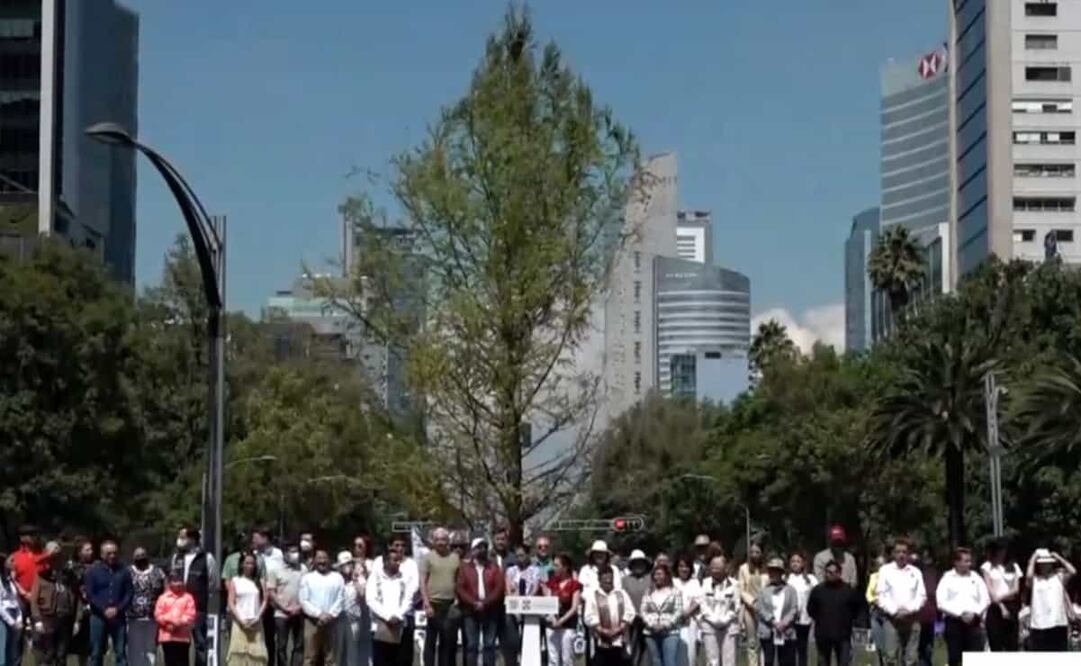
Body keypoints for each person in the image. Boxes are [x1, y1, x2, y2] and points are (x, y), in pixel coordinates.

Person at [875, 538, 926, 666]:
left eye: (904, 552)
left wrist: (908, 611)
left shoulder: (916, 572)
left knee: (911, 658)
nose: (901, 555)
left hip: (912, 618)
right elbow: (881, 596)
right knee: (891, 658)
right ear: (893, 554)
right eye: (898, 552)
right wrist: (895, 611)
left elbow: (921, 596)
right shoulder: (885, 570)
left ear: (908, 554)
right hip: (891, 620)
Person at [171, 527, 217, 666]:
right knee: (179, 644)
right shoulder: (176, 557)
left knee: (200, 644)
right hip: (178, 608)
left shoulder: (207, 558)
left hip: (198, 609)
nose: (180, 540)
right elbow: (172, 578)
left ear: (193, 539)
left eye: (183, 537)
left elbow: (212, 583)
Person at [457, 538, 506, 666]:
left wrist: (485, 603)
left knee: (489, 645)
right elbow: (460, 588)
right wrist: (473, 603)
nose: (482, 550)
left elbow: (499, 588)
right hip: (470, 611)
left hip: (490, 610)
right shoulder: (465, 568)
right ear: (473, 550)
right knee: (472, 645)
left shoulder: (494, 568)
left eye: (484, 547)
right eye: (479, 547)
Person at [936, 548, 989, 666]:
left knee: (974, 658)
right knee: (955, 658)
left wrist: (975, 614)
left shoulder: (976, 577)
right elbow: (941, 602)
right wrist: (960, 614)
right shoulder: (947, 578)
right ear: (956, 562)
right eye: (966, 561)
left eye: (970, 561)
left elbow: (985, 599)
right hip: (954, 622)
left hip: (974, 622)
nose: (969, 564)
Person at [371, 536, 420, 666]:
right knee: (382, 659)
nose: (400, 549)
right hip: (381, 623)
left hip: (402, 621)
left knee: (402, 659)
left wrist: (398, 615)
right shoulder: (377, 571)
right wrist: (387, 616)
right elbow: (371, 598)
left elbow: (410, 596)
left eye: (402, 546)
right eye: (396, 545)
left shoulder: (407, 571)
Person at [30, 542, 79, 666]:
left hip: (65, 618)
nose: (56, 561)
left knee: (61, 654)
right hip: (47, 618)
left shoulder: (68, 576)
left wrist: (77, 620)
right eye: (54, 559)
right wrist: (37, 620)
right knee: (48, 653)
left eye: (59, 558)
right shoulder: (42, 576)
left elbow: (76, 598)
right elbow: (34, 600)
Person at [807, 560, 864, 666]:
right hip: (823, 635)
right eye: (829, 572)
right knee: (823, 662)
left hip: (843, 636)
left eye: (834, 572)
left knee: (844, 663)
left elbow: (856, 609)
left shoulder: (848, 591)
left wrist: (849, 620)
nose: (832, 574)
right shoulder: (818, 591)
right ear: (825, 573)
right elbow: (811, 610)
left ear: (839, 573)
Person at [85, 540, 134, 666]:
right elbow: (90, 594)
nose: (112, 556)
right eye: (109, 553)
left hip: (118, 616)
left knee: (120, 653)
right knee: (96, 652)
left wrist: (118, 609)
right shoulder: (93, 571)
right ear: (102, 554)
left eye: (115, 553)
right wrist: (103, 609)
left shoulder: (124, 571)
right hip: (98, 616)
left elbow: (129, 593)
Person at [419, 528, 460, 666]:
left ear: (448, 541)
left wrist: (457, 599)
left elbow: (458, 580)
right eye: (437, 539)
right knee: (431, 641)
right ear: (433, 541)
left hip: (450, 605)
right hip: (433, 604)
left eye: (443, 539)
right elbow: (423, 581)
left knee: (447, 642)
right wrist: (426, 603)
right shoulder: (427, 558)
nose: (440, 542)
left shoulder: (455, 557)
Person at [299, 550, 344, 666]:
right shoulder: (307, 578)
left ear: (329, 560)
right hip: (312, 622)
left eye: (325, 558)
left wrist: (330, 615)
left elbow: (341, 599)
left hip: (332, 622)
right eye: (319, 558)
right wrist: (319, 614)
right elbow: (304, 600)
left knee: (331, 659)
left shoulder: (337, 577)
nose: (322, 561)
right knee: (310, 658)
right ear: (314, 560)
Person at [1026, 548, 1075, 651]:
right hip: (1039, 624)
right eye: (1042, 564)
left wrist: (1059, 558)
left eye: (1047, 563)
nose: (1045, 566)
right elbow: (1028, 576)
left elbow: (1072, 571)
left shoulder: (1059, 577)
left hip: (1058, 622)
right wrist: (1033, 558)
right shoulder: (1035, 580)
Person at [584, 566, 635, 666]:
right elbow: (589, 616)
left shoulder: (621, 593)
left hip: (620, 639)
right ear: (599, 580)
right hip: (600, 640)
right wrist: (602, 630)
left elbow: (630, 612)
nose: (608, 582)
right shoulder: (593, 595)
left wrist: (620, 628)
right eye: (605, 581)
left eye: (610, 580)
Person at [267, 544, 306, 666]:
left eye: (297, 551)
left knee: (299, 645)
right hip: (281, 614)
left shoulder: (303, 569)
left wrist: (299, 607)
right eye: (292, 552)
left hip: (300, 612)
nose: (296, 554)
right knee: (281, 646)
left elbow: (307, 589)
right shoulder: (275, 570)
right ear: (285, 554)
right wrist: (284, 608)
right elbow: (271, 591)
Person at [980, 539, 1022, 652]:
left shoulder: (1014, 566)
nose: (1002, 552)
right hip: (995, 607)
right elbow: (990, 589)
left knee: (1012, 644)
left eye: (1004, 549)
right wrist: (1001, 606)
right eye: (999, 549)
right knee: (996, 643)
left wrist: (1001, 598)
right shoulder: (987, 567)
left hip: (1011, 605)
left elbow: (1015, 589)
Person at [227, 553, 269, 666]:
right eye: (247, 563)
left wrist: (257, 617)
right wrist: (240, 619)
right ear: (242, 564)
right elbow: (231, 602)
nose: (250, 566)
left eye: (252, 563)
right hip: (239, 622)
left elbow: (265, 600)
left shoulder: (260, 581)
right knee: (238, 655)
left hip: (255, 622)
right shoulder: (235, 580)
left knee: (256, 657)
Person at [755, 557, 798, 666]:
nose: (772, 573)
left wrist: (784, 623)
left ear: (781, 572)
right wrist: (773, 621)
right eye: (770, 571)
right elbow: (760, 608)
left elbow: (794, 608)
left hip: (786, 631)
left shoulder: (791, 590)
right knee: (768, 661)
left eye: (775, 571)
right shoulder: (763, 591)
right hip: (768, 631)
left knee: (786, 661)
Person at [128, 546, 166, 666]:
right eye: (137, 556)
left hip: (152, 617)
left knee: (150, 648)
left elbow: (166, 591)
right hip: (132, 617)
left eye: (143, 555)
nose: (140, 558)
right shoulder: (127, 572)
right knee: (134, 648)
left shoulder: (158, 572)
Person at [698, 555, 739, 666]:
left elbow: (736, 606)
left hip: (729, 626)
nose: (715, 570)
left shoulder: (734, 584)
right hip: (710, 625)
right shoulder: (705, 583)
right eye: (713, 567)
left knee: (729, 661)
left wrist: (725, 620)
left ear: (725, 568)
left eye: (718, 567)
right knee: (712, 661)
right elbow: (702, 604)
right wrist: (714, 620)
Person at [253, 529, 285, 666]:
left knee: (278, 638)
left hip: (276, 599)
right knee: (263, 635)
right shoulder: (254, 555)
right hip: (261, 599)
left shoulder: (278, 554)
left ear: (265, 538)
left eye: (256, 538)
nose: (253, 541)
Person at [641, 563, 682, 666]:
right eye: (655, 574)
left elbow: (678, 611)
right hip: (651, 632)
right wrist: (651, 625)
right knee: (656, 662)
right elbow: (643, 611)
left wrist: (665, 625)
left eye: (660, 574)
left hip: (670, 632)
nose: (657, 577)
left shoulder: (675, 592)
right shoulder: (648, 592)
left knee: (670, 662)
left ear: (667, 575)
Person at [155, 571, 198, 666]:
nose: (177, 584)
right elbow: (158, 615)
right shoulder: (163, 598)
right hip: (167, 636)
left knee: (182, 662)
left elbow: (190, 615)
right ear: (169, 583)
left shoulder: (188, 597)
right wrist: (168, 623)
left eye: (180, 581)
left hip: (182, 637)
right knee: (170, 662)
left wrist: (177, 623)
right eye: (174, 581)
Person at [335, 552, 369, 666]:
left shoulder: (360, 579)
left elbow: (362, 595)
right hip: (338, 621)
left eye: (349, 563)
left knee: (352, 651)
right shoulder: (336, 579)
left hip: (354, 620)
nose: (347, 566)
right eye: (344, 564)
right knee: (338, 650)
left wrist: (355, 580)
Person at [738, 541, 768, 666]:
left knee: (764, 640)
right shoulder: (743, 568)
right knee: (751, 642)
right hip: (749, 609)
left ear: (762, 554)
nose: (754, 554)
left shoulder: (767, 569)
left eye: (757, 552)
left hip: (765, 609)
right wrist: (752, 602)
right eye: (752, 552)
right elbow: (741, 590)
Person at [783, 553, 816, 666]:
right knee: (789, 648)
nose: (795, 563)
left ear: (803, 563)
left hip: (804, 619)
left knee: (802, 649)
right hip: (788, 620)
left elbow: (817, 595)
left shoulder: (810, 579)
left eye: (798, 561)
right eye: (793, 561)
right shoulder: (785, 579)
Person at [68, 539, 96, 666]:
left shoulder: (97, 566)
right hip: (77, 609)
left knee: (92, 644)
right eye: (87, 549)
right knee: (79, 646)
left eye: (91, 549)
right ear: (79, 552)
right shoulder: (72, 567)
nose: (91, 552)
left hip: (94, 608)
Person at [622, 550, 652, 666]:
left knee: (648, 651)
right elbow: (623, 600)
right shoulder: (625, 581)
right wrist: (632, 615)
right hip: (631, 621)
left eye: (641, 563)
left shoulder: (651, 579)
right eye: (636, 563)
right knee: (632, 651)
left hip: (649, 621)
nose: (639, 566)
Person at [673, 555, 702, 666]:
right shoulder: (672, 582)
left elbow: (698, 600)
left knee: (690, 654)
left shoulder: (694, 582)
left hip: (690, 622)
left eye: (687, 566)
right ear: (677, 568)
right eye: (681, 566)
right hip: (674, 622)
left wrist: (687, 613)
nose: (684, 569)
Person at [913, 551, 938, 666]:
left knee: (927, 649)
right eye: (925, 557)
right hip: (915, 616)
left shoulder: (934, 574)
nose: (927, 560)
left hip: (930, 617)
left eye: (930, 557)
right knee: (915, 648)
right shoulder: (915, 573)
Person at [12, 527, 47, 605]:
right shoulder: (15, 557)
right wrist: (25, 594)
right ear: (22, 538)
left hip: (44, 600)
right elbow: (12, 579)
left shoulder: (45, 554)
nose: (35, 537)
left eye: (36, 535)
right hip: (22, 601)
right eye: (31, 535)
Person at [1, 554, 23, 666]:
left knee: (13, 651)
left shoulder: (10, 581)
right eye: (12, 560)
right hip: (4, 619)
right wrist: (12, 622)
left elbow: (16, 600)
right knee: (4, 649)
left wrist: (19, 618)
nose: (15, 562)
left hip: (14, 616)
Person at [866, 555, 887, 666]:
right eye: (879, 564)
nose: (880, 566)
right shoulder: (873, 577)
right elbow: (868, 594)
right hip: (875, 611)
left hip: (887, 612)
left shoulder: (891, 577)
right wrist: (874, 600)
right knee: (878, 642)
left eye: (882, 564)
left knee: (888, 644)